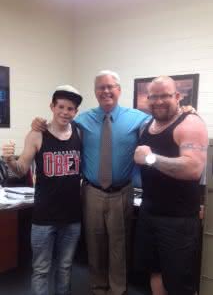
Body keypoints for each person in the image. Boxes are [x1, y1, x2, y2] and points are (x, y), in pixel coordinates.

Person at [31, 70, 151, 295]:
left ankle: (117, 290)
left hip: (122, 192)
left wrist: (186, 112)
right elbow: (59, 122)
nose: (106, 91)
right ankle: (97, 288)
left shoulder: (138, 117)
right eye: (100, 87)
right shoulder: (82, 119)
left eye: (110, 86)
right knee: (94, 245)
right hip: (91, 192)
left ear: (119, 90)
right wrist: (39, 122)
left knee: (119, 246)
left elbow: (161, 126)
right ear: (95, 92)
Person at [2, 85, 83, 295]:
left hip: (72, 217)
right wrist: (10, 159)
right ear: (52, 107)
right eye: (61, 107)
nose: (65, 112)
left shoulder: (80, 134)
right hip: (44, 217)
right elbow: (20, 171)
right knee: (41, 269)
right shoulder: (37, 135)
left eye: (71, 109)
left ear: (76, 112)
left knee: (65, 268)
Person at [134, 75, 208, 295]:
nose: (158, 101)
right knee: (154, 271)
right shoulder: (147, 124)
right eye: (153, 96)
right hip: (149, 212)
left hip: (178, 220)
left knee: (180, 282)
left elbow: (193, 168)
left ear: (177, 96)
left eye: (164, 95)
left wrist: (150, 159)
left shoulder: (191, 123)